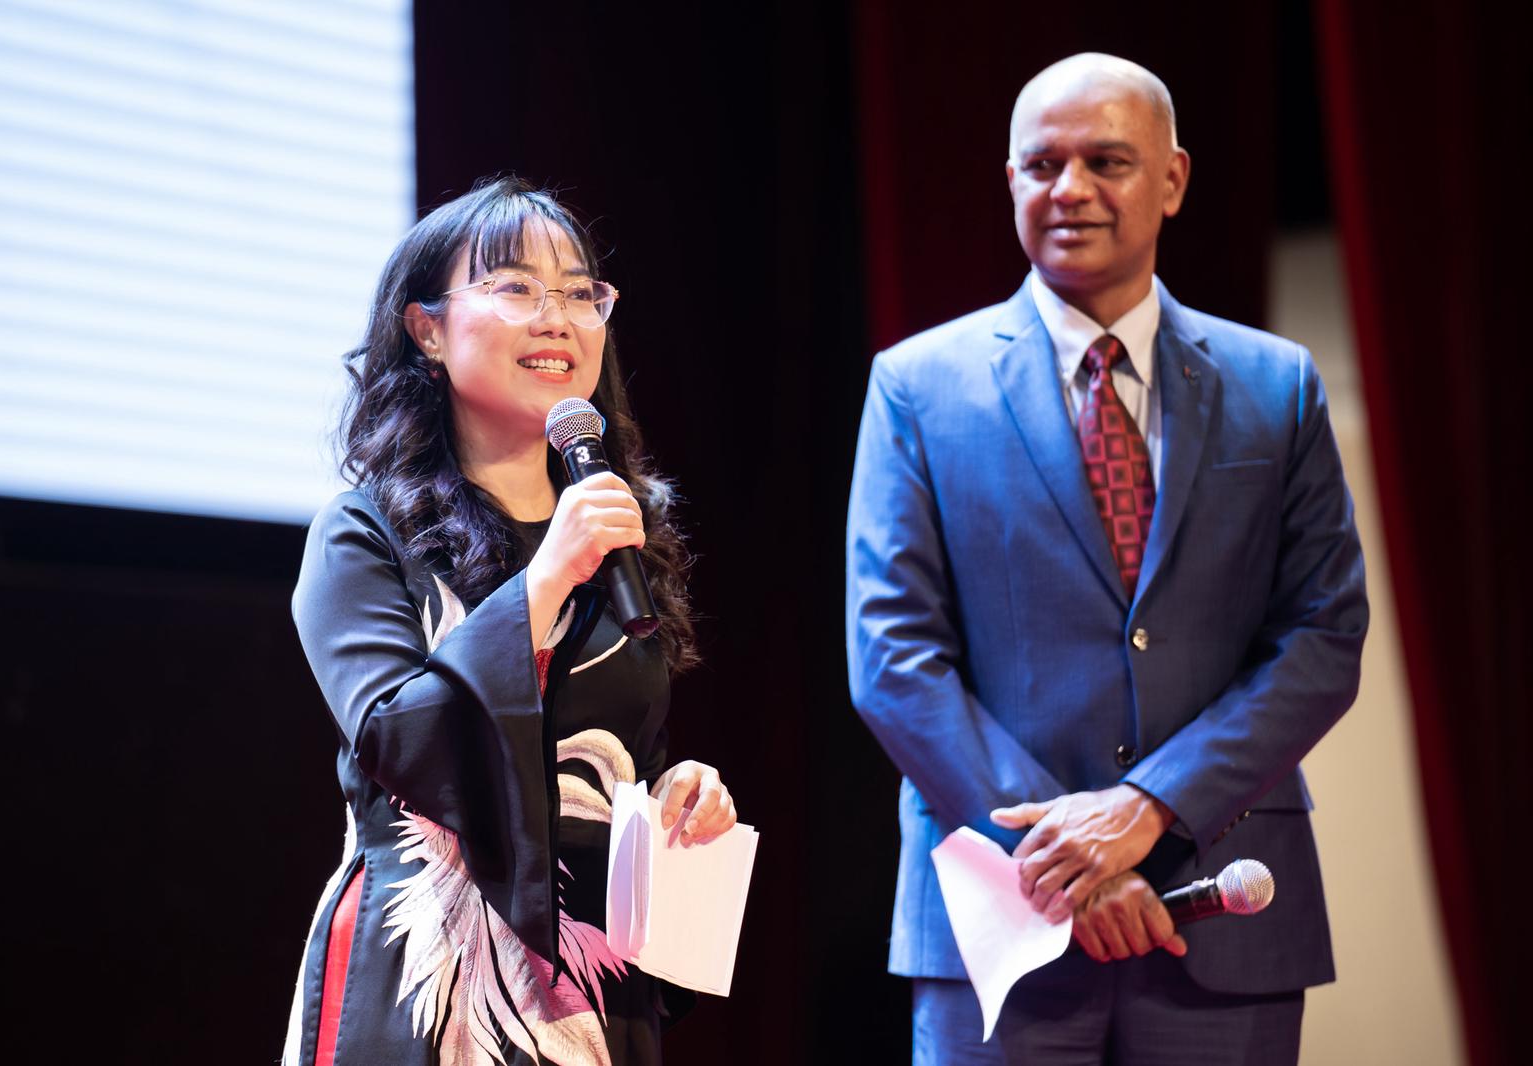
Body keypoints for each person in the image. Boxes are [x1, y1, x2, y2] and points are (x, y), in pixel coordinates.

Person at [845, 54, 1367, 1064]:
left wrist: (1146, 807)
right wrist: (1063, 857)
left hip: (1224, 905)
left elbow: (1324, 635)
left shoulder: (1278, 384)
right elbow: (893, 658)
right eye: (1043, 165)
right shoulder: (916, 386)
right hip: (1000, 917)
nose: (1070, 189)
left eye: (1106, 162)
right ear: (1010, 182)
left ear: (1172, 179)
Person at [283, 176, 737, 1066]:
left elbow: (620, 756)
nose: (556, 318)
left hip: (590, 982)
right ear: (427, 330)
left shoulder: (619, 529)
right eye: (516, 287)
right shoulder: (362, 534)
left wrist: (674, 795)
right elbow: (397, 736)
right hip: (426, 972)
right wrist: (546, 577)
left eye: (579, 293)